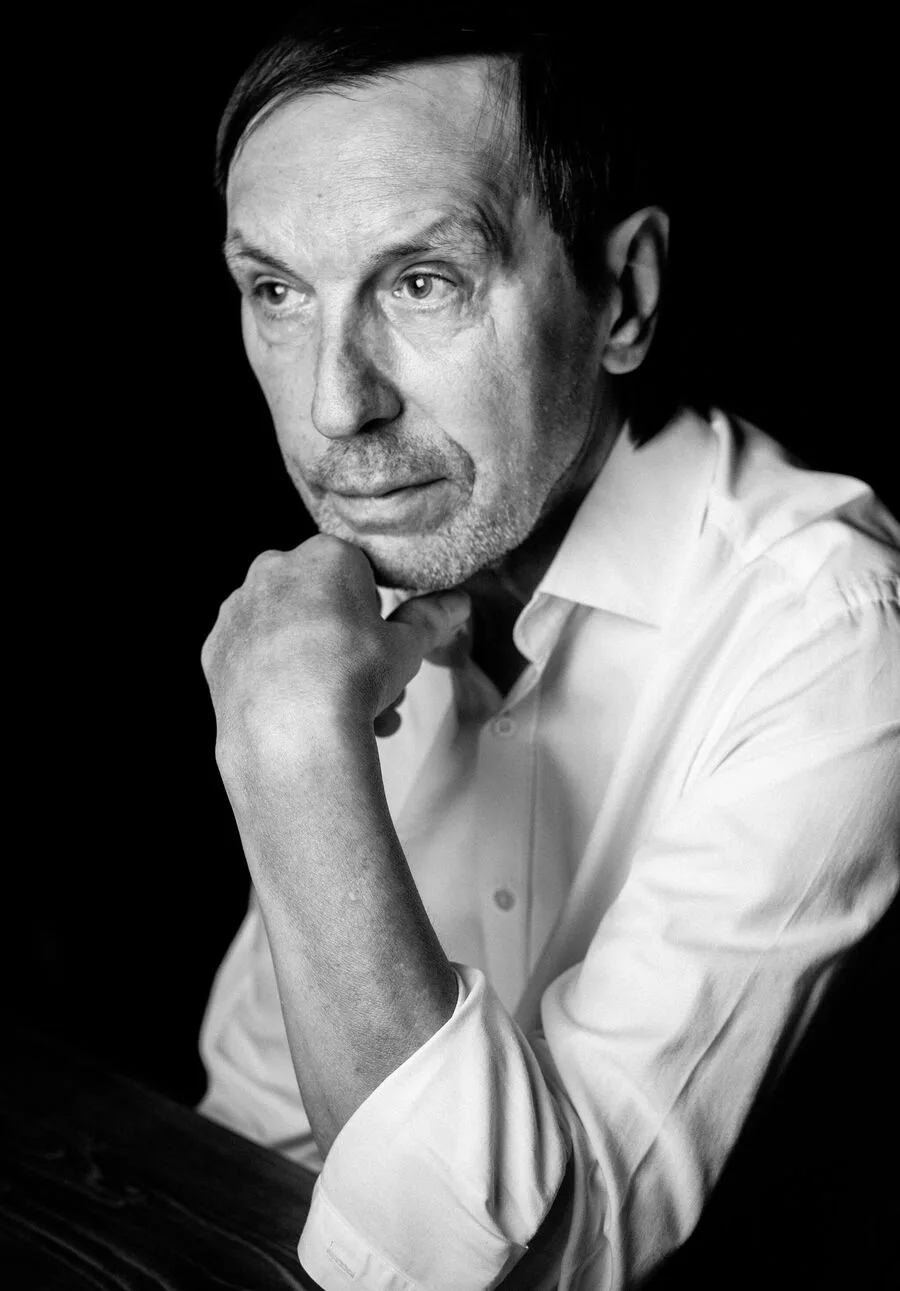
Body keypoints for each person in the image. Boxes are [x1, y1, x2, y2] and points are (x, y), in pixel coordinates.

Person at [196, 8, 900, 1288]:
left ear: (622, 296)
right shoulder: (357, 596)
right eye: (278, 292)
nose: (335, 407)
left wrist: (293, 752)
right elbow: (249, 1136)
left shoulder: (835, 631)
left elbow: (535, 1266)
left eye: (424, 281)